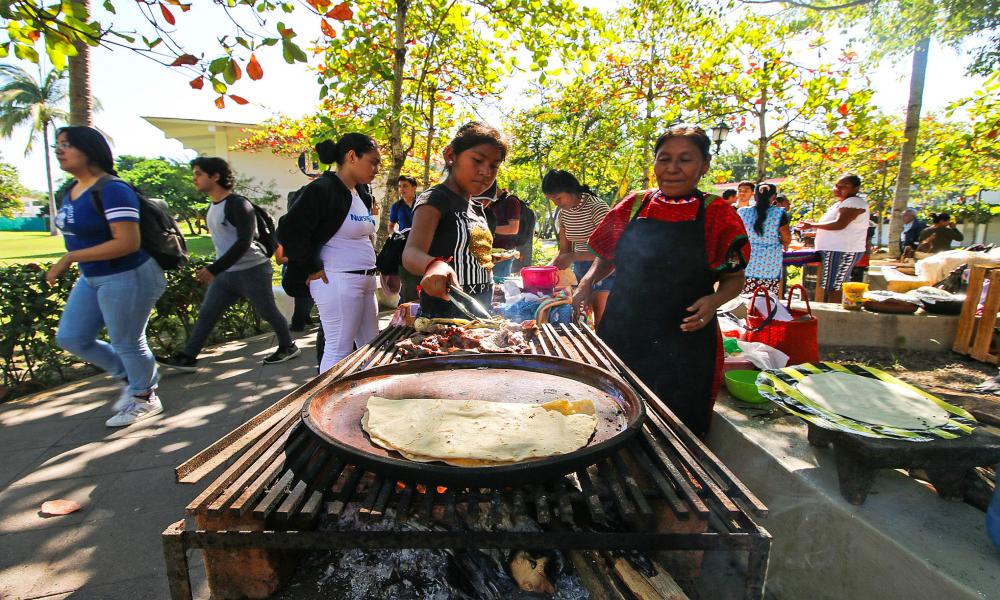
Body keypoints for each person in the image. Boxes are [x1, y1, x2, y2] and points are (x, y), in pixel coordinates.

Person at [574, 124, 749, 437]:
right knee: (613, 414)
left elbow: (734, 278)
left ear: (704, 165)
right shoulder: (633, 205)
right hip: (623, 331)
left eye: (685, 160)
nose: (672, 169)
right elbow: (605, 257)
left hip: (685, 339)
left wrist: (713, 301)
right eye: (664, 158)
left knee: (677, 424)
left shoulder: (718, 214)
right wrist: (587, 282)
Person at [46, 126, 167, 427]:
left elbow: (127, 242)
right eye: (57, 145)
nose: (59, 150)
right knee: (72, 337)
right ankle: (134, 376)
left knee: (127, 340)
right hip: (92, 276)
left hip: (129, 274)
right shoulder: (70, 191)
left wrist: (70, 258)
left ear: (90, 150)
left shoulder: (112, 189)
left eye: (67, 145)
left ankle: (144, 397)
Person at [157, 157, 300, 372]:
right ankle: (188, 357)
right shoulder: (213, 207)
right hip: (226, 274)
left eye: (198, 174)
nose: (194, 178)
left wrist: (214, 268)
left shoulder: (238, 205)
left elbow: (244, 242)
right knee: (207, 313)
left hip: (253, 270)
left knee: (267, 311)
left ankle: (288, 346)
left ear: (215, 176)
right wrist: (219, 269)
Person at [279, 134, 382, 373]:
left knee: (371, 349)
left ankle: (369, 402)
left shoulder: (361, 193)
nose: (377, 168)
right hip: (338, 281)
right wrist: (311, 266)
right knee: (338, 350)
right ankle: (321, 406)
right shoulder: (322, 189)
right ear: (351, 156)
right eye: (373, 161)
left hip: (365, 281)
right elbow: (289, 229)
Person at [403, 122, 506, 318]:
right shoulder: (436, 199)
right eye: (477, 160)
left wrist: (487, 258)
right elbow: (411, 253)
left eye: (494, 165)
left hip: (479, 313)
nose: (486, 172)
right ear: (451, 156)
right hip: (444, 317)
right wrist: (433, 265)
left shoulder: (477, 208)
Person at [542, 169, 614, 324]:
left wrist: (573, 256)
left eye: (558, 198)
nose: (556, 203)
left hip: (604, 269)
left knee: (601, 321)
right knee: (584, 321)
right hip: (580, 269)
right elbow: (564, 251)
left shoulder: (597, 207)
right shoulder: (563, 213)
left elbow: (610, 250)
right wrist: (545, 270)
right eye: (551, 200)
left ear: (570, 191)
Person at [798, 174, 869, 303]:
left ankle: (835, 315)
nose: (839, 188)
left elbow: (840, 224)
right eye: (837, 185)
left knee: (835, 286)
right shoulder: (840, 203)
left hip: (841, 250)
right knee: (833, 284)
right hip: (835, 250)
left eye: (844, 186)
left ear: (855, 188)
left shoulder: (854, 202)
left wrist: (812, 225)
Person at [738, 183, 791, 296]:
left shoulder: (742, 212)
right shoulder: (779, 213)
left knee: (747, 300)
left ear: (755, 196)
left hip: (748, 263)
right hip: (770, 265)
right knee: (767, 301)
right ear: (774, 197)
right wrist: (782, 242)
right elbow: (786, 238)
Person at [477, 182, 520, 281]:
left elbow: (513, 229)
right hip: (489, 254)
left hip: (504, 255)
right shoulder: (493, 203)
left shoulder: (511, 201)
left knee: (501, 288)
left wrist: (488, 228)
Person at [390, 175, 421, 304]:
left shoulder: (423, 203)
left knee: (420, 279)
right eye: (400, 186)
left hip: (422, 246)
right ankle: (405, 313)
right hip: (404, 247)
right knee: (407, 280)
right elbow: (391, 226)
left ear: (414, 188)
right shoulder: (396, 206)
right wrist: (395, 236)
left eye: (405, 186)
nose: (402, 189)